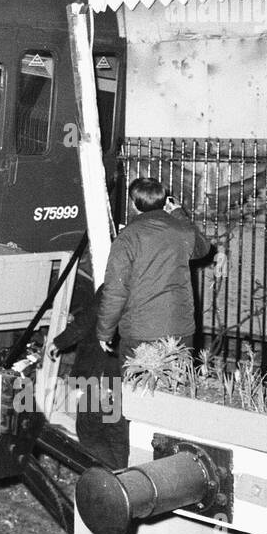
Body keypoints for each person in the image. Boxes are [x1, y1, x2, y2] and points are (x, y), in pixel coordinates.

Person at [83, 177, 212, 468]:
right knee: (175, 398)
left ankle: (132, 467)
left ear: (132, 203)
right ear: (164, 200)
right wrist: (179, 214)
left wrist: (104, 331)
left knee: (135, 401)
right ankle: (175, 467)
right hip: (179, 333)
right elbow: (204, 248)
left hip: (139, 333)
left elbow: (115, 290)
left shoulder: (127, 238)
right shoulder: (180, 230)